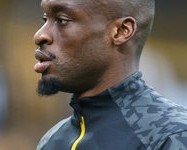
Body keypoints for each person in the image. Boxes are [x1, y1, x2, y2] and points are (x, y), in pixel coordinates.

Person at [33, 0, 187, 149]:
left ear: (121, 31)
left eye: (62, 20)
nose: (39, 35)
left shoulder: (170, 136)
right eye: (45, 19)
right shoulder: (52, 141)